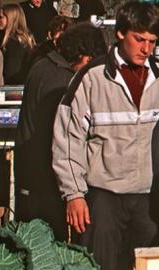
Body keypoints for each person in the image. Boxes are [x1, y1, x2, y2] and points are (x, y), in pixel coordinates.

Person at [52, 1, 159, 270]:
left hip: (150, 197)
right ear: (120, 34)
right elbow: (68, 138)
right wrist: (74, 195)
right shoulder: (92, 77)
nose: (146, 48)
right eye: (139, 39)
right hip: (104, 197)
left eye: (152, 41)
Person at [15, 23, 106, 242]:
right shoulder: (63, 82)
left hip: (32, 175)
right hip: (47, 181)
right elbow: (62, 136)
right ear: (84, 57)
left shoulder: (42, 66)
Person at [0, 4, 35, 85]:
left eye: (2, 17)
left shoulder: (13, 43)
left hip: (14, 89)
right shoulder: (26, 39)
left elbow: (11, 72)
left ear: (11, 19)